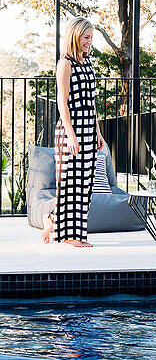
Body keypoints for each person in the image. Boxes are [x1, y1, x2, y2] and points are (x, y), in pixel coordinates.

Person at [41, 18, 103, 248]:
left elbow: (91, 102)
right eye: (86, 37)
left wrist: (97, 132)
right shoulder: (64, 64)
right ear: (75, 36)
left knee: (85, 184)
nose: (89, 42)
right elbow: (62, 102)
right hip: (71, 129)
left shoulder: (87, 63)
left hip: (89, 128)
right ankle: (68, 235)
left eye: (91, 38)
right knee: (69, 183)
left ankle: (54, 220)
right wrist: (71, 134)